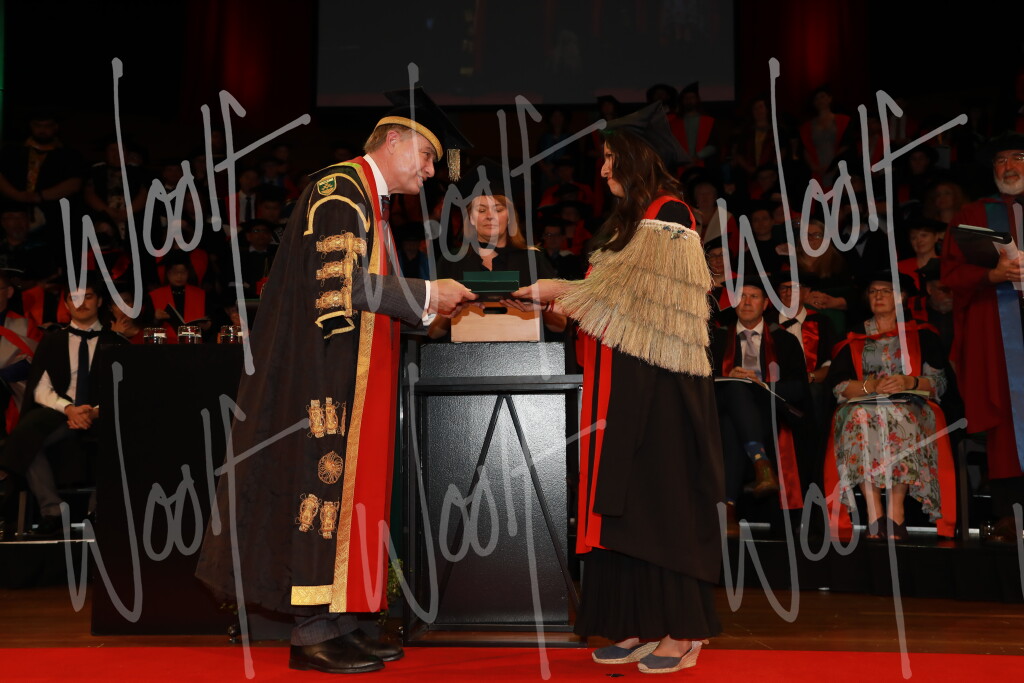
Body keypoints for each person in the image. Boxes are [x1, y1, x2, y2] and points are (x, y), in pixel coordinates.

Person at [196, 87, 476, 675]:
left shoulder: (369, 201)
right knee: (320, 491)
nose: (431, 172)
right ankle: (312, 632)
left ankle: (342, 623)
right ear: (393, 141)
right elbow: (341, 285)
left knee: (351, 497)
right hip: (319, 375)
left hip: (348, 372)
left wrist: (423, 307)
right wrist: (428, 293)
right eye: (427, 156)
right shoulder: (339, 189)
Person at [513, 102, 724, 675]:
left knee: (661, 504)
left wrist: (558, 289)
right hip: (620, 385)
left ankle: (682, 632)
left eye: (611, 157)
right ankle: (639, 623)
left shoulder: (670, 215)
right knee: (626, 508)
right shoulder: (625, 224)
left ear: (637, 158)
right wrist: (559, 305)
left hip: (660, 389)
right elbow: (606, 304)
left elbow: (634, 303)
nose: (603, 169)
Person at [823, 272, 957, 540]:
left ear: (902, 297)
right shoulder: (854, 336)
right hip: (863, 403)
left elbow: (940, 383)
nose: (879, 296)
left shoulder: (922, 333)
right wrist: (870, 386)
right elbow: (838, 386)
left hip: (911, 404)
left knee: (900, 417)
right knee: (858, 417)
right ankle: (875, 515)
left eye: (886, 291)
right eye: (874, 291)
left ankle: (896, 514)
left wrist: (909, 381)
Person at [940, 132, 1024, 544]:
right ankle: (1011, 516)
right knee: (1005, 420)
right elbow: (951, 273)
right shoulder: (973, 214)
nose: (1008, 167)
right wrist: (992, 274)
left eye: (1018, 157)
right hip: (998, 332)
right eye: (1000, 160)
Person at [0, 274, 124, 538]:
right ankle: (52, 510)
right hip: (60, 412)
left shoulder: (117, 342)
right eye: (74, 298)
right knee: (25, 435)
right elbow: (40, 388)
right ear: (66, 304)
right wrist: (69, 409)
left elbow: (122, 389)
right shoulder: (52, 340)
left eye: (87, 297)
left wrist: (94, 411)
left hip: (104, 413)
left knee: (122, 434)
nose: (81, 303)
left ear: (99, 301)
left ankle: (97, 509)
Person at [711, 280, 810, 533]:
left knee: (731, 425)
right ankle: (761, 465)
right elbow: (701, 382)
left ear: (765, 304)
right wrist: (729, 379)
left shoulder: (784, 340)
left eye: (754, 296)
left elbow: (799, 388)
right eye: (741, 296)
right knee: (735, 387)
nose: (746, 302)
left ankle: (728, 510)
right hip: (721, 406)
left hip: (769, 411)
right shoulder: (716, 339)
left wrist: (762, 384)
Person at [429, 159, 566, 339]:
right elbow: (433, 333)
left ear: (510, 216)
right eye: (481, 210)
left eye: (498, 209)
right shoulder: (451, 261)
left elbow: (560, 326)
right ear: (470, 217)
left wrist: (543, 305)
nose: (490, 216)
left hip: (524, 354)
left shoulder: (533, 259)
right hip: (465, 353)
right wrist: (452, 310)